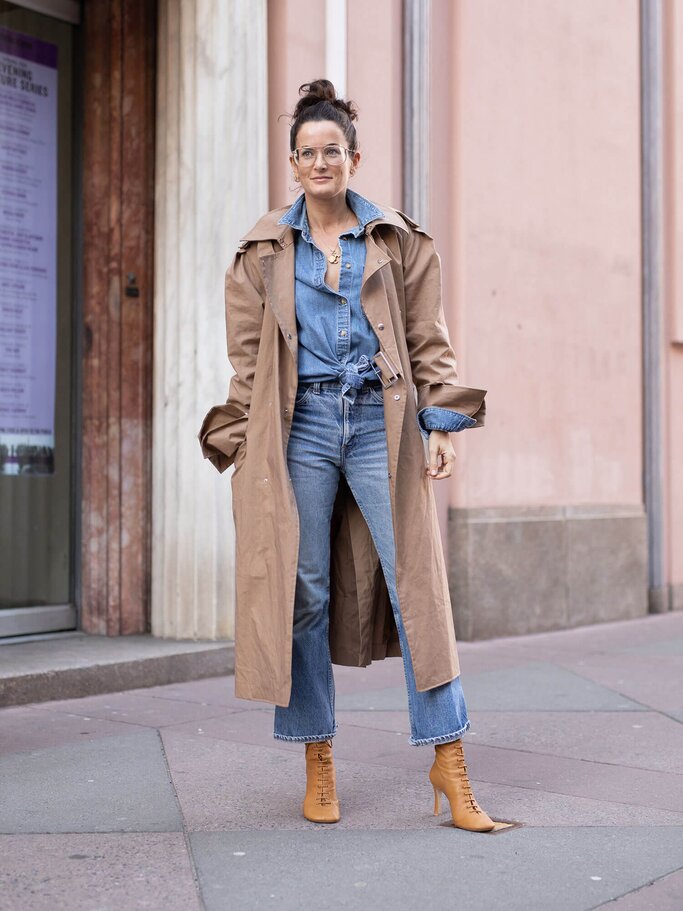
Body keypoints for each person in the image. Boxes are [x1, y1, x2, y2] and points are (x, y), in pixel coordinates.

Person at [199, 79, 495, 832]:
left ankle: (449, 759)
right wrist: (240, 440)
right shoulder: (261, 251)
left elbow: (427, 337)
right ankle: (316, 757)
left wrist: (439, 424)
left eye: (333, 150)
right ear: (292, 163)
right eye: (307, 152)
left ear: (352, 158)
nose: (320, 161)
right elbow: (246, 361)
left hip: (378, 420)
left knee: (415, 584)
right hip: (296, 428)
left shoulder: (397, 240)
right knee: (302, 591)